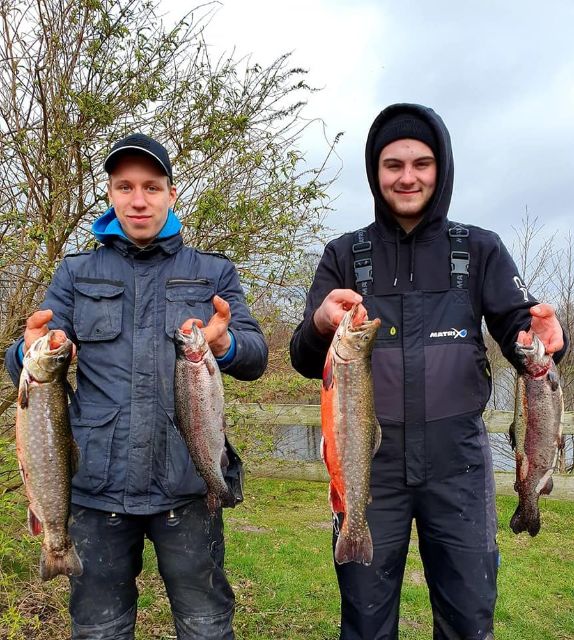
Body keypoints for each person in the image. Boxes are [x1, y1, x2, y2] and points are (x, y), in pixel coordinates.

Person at [289, 103, 567, 640]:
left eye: (421, 163)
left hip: (458, 465)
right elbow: (304, 359)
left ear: (441, 168)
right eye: (393, 164)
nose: (407, 177)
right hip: (369, 465)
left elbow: (522, 334)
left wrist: (549, 339)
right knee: (366, 623)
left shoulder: (479, 249)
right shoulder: (343, 255)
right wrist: (321, 323)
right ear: (375, 172)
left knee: (468, 620)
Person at [5, 133, 268, 640]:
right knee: (99, 629)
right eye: (125, 187)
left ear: (171, 193)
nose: (139, 199)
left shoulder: (212, 272)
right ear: (110, 195)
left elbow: (256, 356)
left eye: (151, 186)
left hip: (187, 486)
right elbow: (25, 363)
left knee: (207, 626)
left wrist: (225, 344)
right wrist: (30, 349)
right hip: (94, 488)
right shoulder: (76, 272)